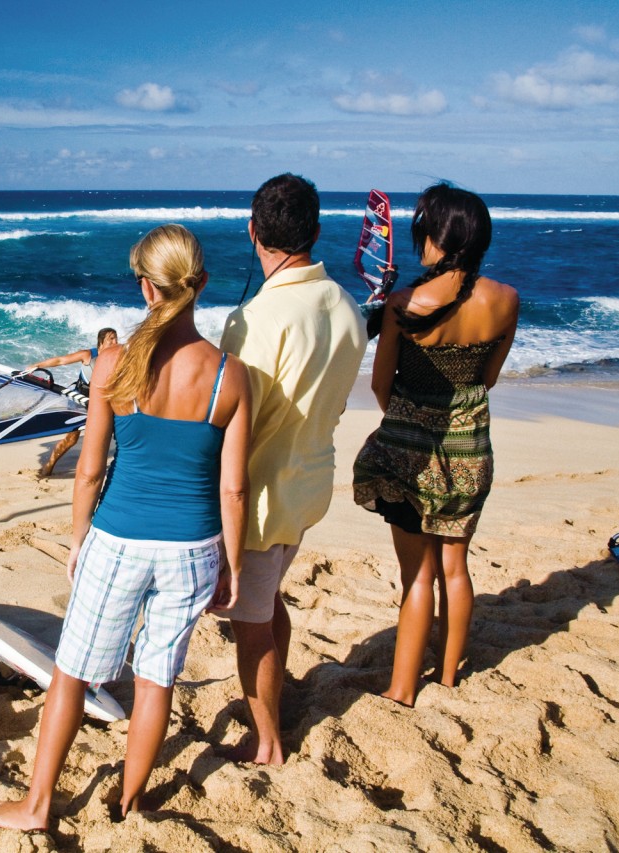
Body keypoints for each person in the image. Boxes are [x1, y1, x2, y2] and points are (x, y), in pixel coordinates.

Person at [0, 224, 251, 830]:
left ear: (145, 288)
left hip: (119, 539)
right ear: (200, 285)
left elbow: (89, 470)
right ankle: (129, 802)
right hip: (193, 547)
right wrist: (231, 567)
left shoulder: (113, 365)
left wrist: (79, 541)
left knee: (73, 671)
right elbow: (232, 488)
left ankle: (37, 804)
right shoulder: (229, 376)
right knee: (156, 678)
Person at [217, 173, 368, 764]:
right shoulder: (347, 307)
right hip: (310, 482)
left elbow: (232, 423)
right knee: (268, 600)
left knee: (249, 625)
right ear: (315, 231)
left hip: (261, 494)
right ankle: (273, 710)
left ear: (253, 231)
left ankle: (269, 742)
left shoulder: (257, 319)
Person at [352, 183, 519, 707]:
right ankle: (447, 675)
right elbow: (486, 379)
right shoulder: (506, 300)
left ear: (436, 236)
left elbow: (381, 384)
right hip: (471, 448)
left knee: (417, 574)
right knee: (455, 565)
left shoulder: (405, 304)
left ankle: (402, 689)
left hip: (409, 448)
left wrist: (405, 419)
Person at [27, 327, 119, 477]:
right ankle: (49, 465)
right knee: (72, 438)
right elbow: (61, 360)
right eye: (111, 339)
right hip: (79, 400)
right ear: (101, 343)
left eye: (116, 338)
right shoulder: (87, 355)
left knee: (104, 436)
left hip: (99, 402)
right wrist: (37, 365)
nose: (116, 342)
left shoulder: (117, 357)